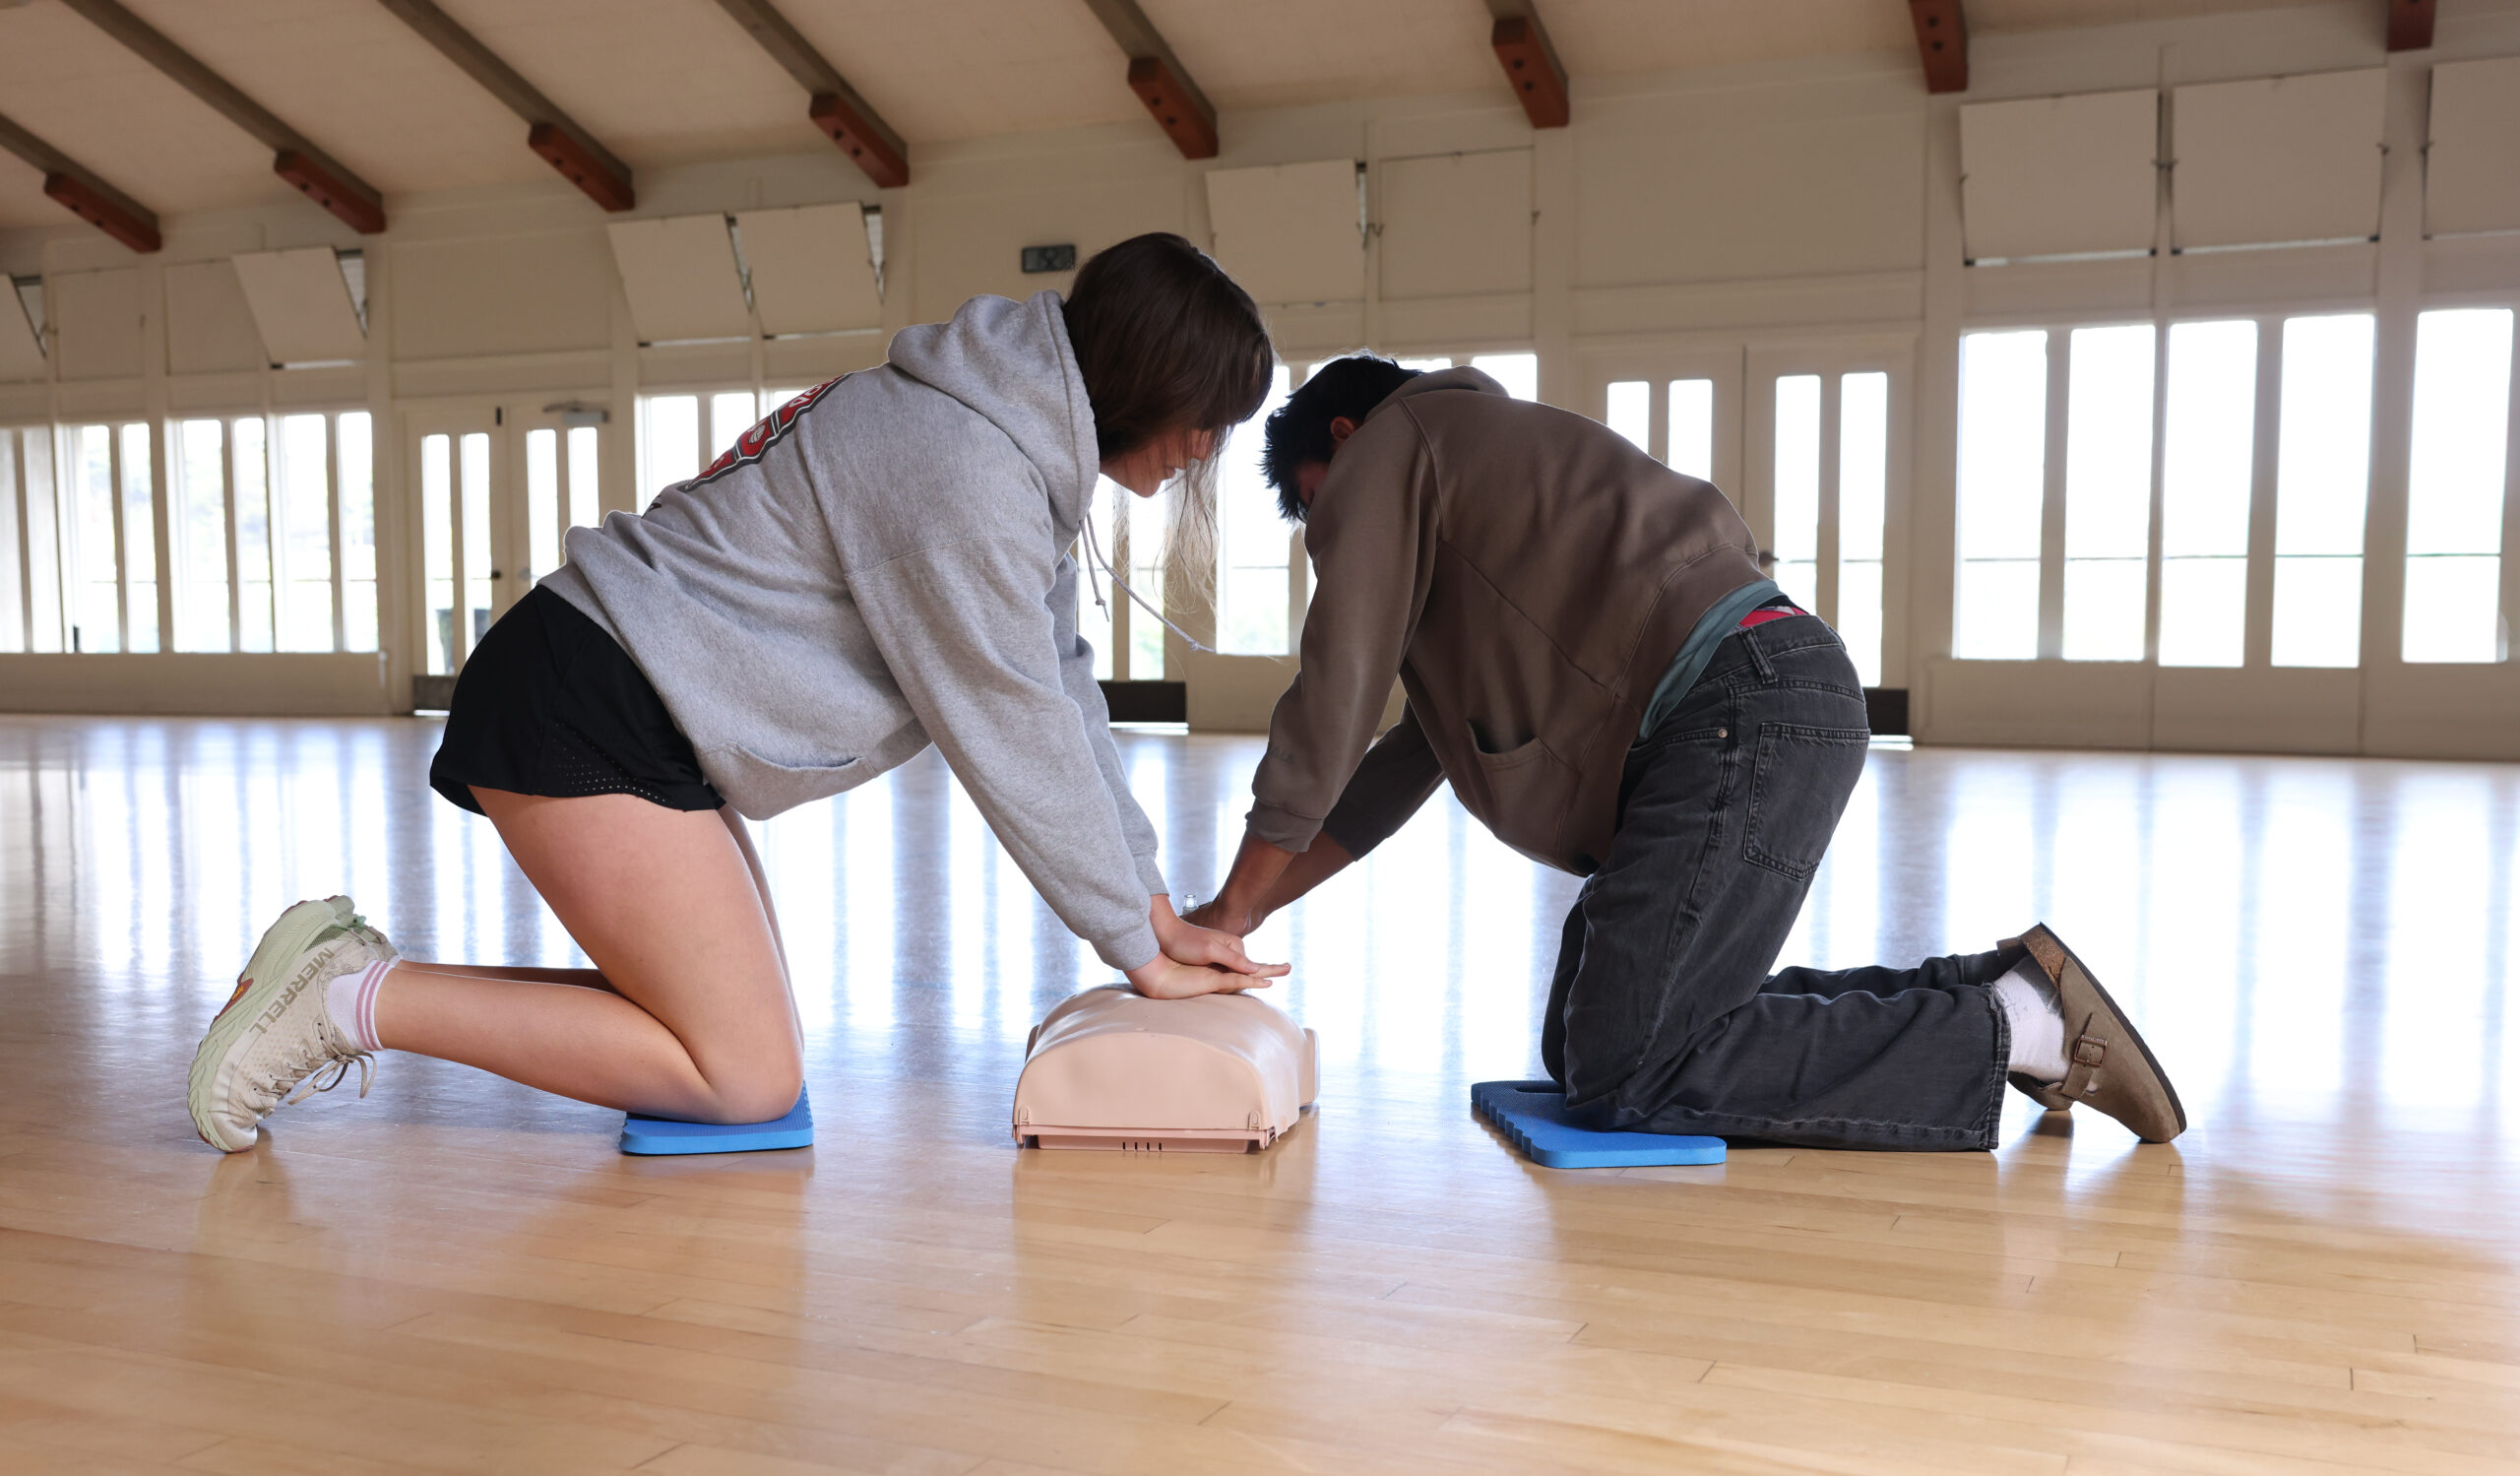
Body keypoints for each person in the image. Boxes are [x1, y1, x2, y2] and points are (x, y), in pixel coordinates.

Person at [188, 233, 1286, 1153]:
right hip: (589, 695)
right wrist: (1129, 945)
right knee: (744, 1076)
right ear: (1154, 385)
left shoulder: (997, 447)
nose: (1205, 450)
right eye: (1210, 419)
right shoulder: (965, 467)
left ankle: (349, 975)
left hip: (636, 698)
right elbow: (1006, 724)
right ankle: (341, 997)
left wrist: (1148, 910)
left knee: (731, 1046)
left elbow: (1056, 687)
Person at [1183, 355, 2184, 1149]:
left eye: (1314, 506)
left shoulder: (1396, 449)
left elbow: (1332, 699)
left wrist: (1226, 905)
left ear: (1344, 438)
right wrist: (1247, 914)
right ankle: (1992, 991)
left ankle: (2020, 1028)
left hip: (1731, 708)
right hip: (1751, 703)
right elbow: (1404, 759)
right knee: (1585, 1044)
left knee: (1627, 1063)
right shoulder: (1475, 475)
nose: (1327, 534)